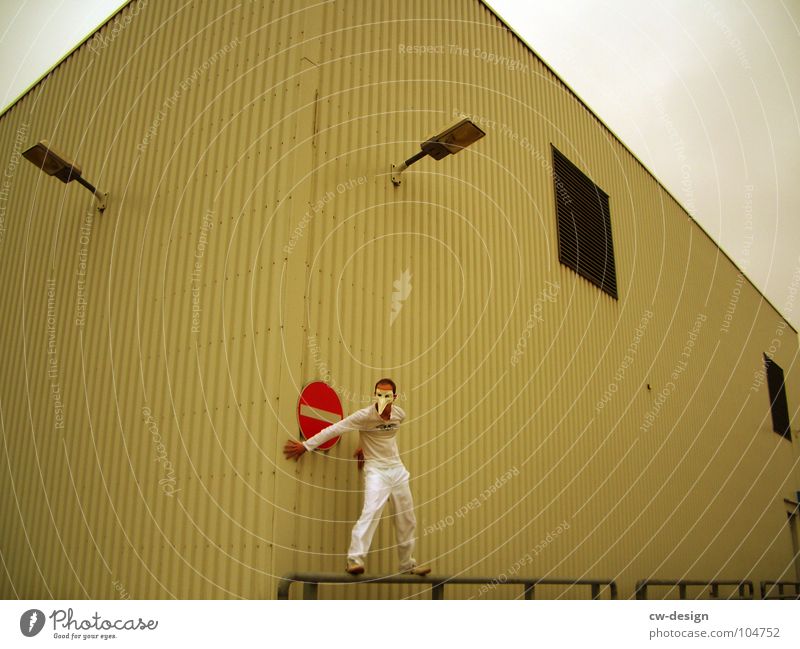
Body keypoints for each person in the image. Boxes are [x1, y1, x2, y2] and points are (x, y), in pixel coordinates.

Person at [284, 378, 431, 576]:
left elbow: (387, 438)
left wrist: (363, 446)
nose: (383, 399)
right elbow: (336, 428)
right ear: (375, 395)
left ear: (394, 398)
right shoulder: (364, 416)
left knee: (407, 517)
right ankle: (354, 559)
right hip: (376, 470)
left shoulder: (399, 415)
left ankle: (407, 565)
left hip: (396, 469)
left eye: (387, 396)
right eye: (379, 395)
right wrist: (306, 446)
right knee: (371, 511)